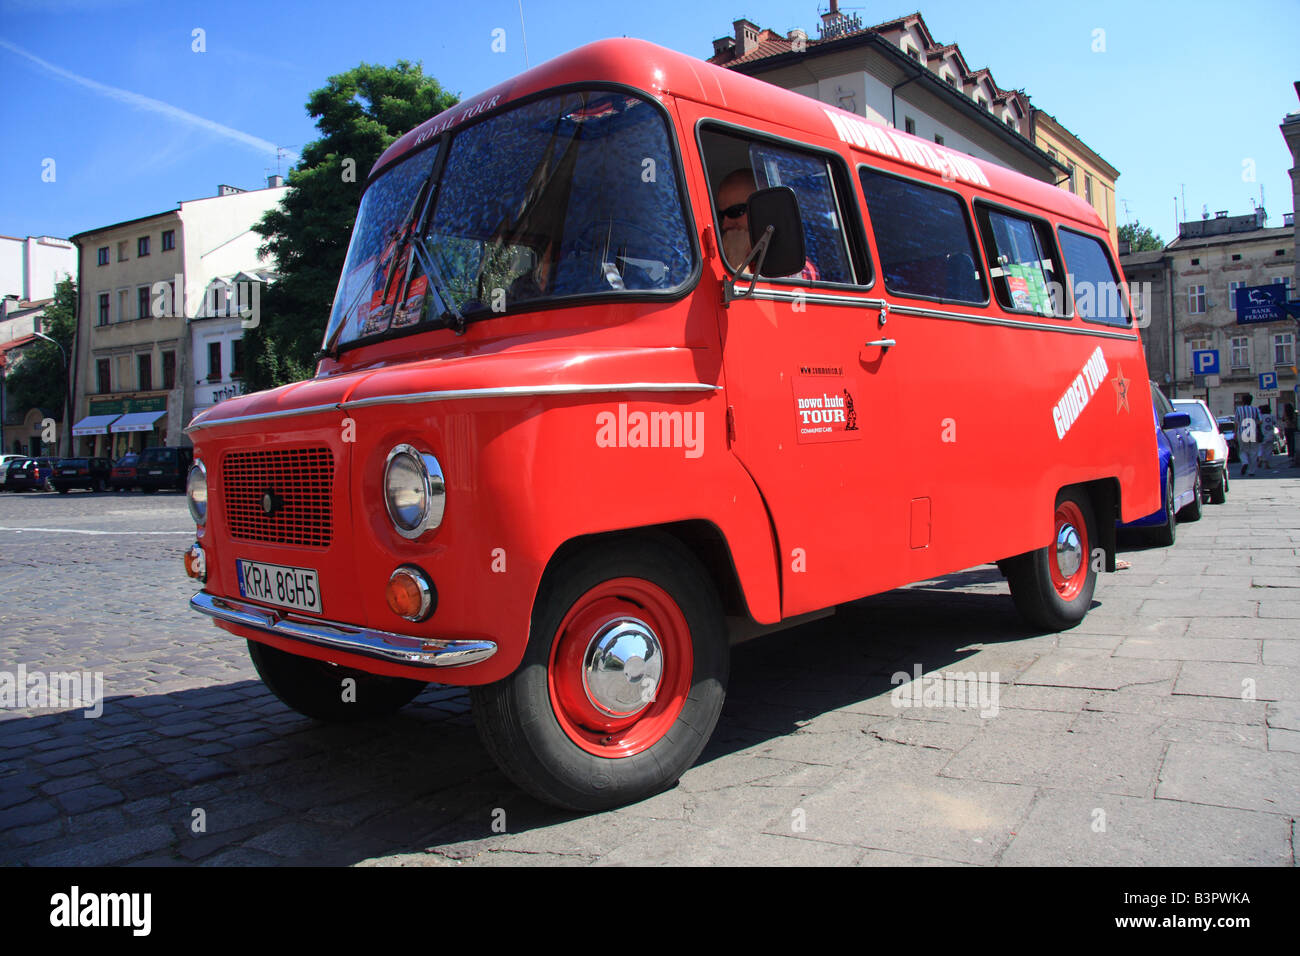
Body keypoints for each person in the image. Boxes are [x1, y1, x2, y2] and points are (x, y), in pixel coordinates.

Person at [715, 169, 819, 281]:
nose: (725, 225)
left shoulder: (795, 266)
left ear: (765, 211)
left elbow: (744, 298)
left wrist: (737, 258)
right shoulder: (716, 263)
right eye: (721, 215)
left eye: (734, 211)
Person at [1235, 393, 1263, 476]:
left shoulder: (1239, 410)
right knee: (1253, 452)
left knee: (1242, 450)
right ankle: (1252, 471)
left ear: (1243, 401)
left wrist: (1235, 433)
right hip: (1253, 432)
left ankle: (1245, 462)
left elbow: (1236, 422)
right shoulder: (1255, 410)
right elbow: (1261, 421)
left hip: (1242, 432)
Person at [1259, 403, 1277, 469]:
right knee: (1269, 450)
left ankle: (1260, 459)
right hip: (1270, 434)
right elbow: (1275, 423)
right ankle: (1267, 463)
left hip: (1262, 434)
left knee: (1261, 448)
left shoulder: (1260, 416)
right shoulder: (1272, 416)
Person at [1284, 402, 1298, 467]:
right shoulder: (1294, 413)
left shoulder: (1285, 413)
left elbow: (1284, 420)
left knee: (1289, 442)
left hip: (1287, 429)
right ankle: (1293, 455)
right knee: (1293, 443)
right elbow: (1295, 421)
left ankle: (1290, 455)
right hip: (1293, 428)